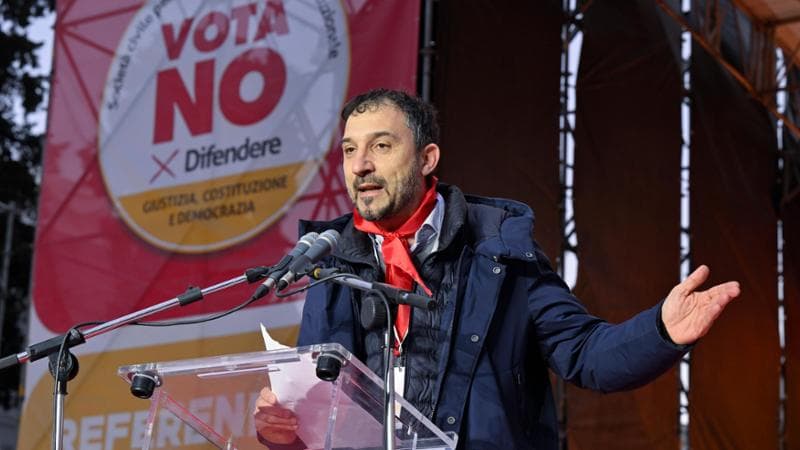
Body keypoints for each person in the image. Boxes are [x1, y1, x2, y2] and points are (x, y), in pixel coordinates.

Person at [253, 88, 740, 449]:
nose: (360, 165)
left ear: (427, 158)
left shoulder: (498, 250)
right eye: (349, 150)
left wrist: (661, 331)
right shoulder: (331, 262)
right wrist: (284, 432)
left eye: (381, 146)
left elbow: (585, 354)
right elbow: (321, 417)